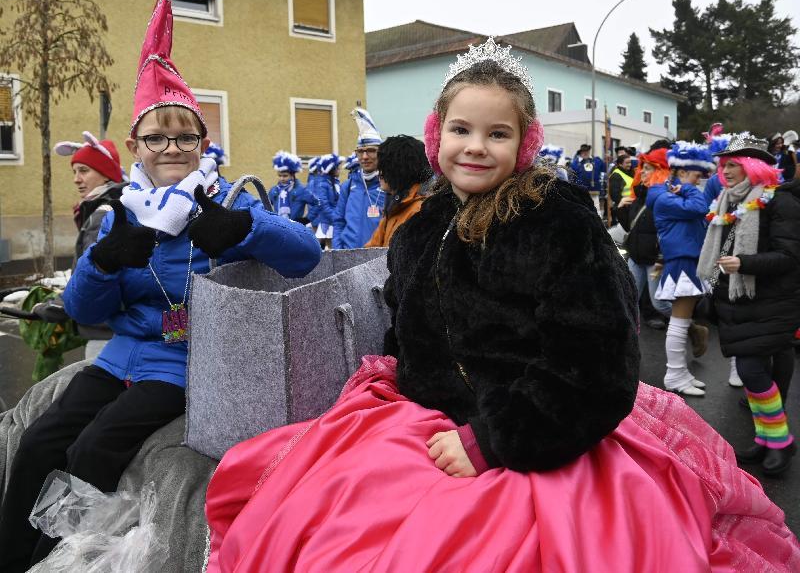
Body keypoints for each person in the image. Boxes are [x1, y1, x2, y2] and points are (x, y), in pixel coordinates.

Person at [204, 39, 799, 572]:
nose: (477, 148)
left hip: (535, 434)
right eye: (462, 130)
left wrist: (495, 439)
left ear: (525, 141)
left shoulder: (557, 219)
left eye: (498, 134)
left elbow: (595, 364)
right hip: (422, 422)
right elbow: (412, 324)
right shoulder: (419, 226)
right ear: (439, 135)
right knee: (308, 520)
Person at [0, 0, 322, 573]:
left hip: (185, 364)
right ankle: (10, 555)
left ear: (202, 143)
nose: (171, 146)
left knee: (93, 448)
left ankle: (54, 561)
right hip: (119, 356)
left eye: (184, 136)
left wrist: (242, 230)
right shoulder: (124, 212)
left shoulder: (220, 201)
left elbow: (306, 256)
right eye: (157, 137)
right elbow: (80, 307)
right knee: (40, 440)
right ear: (136, 146)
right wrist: (105, 260)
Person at [698, 133, 800, 476]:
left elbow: (789, 256)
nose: (724, 172)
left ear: (752, 168)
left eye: (732, 166)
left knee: (752, 371)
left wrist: (744, 263)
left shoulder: (779, 203)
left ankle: (781, 441)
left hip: (771, 300)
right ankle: (765, 438)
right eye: (722, 166)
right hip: (741, 302)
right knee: (752, 371)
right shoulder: (728, 200)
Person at [32, 132, 128, 361]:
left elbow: (94, 277)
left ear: (106, 175)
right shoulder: (109, 207)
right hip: (111, 328)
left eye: (84, 171)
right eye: (74, 171)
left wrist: (57, 306)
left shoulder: (103, 215)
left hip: (106, 333)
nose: (76, 179)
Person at [647, 142, 716, 396]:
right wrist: (687, 185)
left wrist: (686, 186)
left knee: (682, 319)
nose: (699, 181)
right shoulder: (663, 196)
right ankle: (675, 374)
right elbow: (700, 207)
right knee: (678, 321)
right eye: (696, 175)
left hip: (687, 260)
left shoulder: (674, 193)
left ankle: (681, 372)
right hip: (682, 261)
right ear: (684, 172)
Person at [616, 145, 672, 330]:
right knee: (628, 298)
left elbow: (668, 231)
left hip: (653, 260)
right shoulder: (639, 193)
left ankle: (687, 322)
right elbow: (629, 227)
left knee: (660, 304)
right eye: (643, 167)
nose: (641, 171)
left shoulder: (665, 197)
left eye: (647, 168)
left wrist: (661, 258)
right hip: (636, 256)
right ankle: (629, 337)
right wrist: (621, 209)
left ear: (659, 171)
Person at [365, 135, 431, 248]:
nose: (379, 174)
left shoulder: (419, 211)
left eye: (384, 168)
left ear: (399, 170)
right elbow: (369, 251)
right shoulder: (396, 206)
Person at [332, 109, 386, 249]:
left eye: (371, 151)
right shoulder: (348, 186)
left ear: (381, 153)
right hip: (348, 256)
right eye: (360, 151)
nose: (365, 157)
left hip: (377, 258)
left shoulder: (389, 186)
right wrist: (338, 251)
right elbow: (338, 221)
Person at [268, 150, 317, 223]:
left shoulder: (301, 190)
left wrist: (307, 219)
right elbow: (266, 206)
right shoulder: (274, 190)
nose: (282, 178)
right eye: (279, 176)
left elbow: (317, 204)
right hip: (278, 226)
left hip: (295, 227)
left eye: (285, 176)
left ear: (292, 175)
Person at [314, 153, 341, 249]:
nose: (339, 170)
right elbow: (323, 204)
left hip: (334, 218)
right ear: (331, 170)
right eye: (338, 168)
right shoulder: (323, 184)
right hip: (326, 220)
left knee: (332, 247)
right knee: (323, 245)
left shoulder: (335, 182)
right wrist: (334, 216)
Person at [570, 143, 605, 214]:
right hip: (580, 192)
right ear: (580, 153)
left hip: (594, 191)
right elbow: (571, 177)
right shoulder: (575, 163)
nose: (585, 153)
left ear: (589, 151)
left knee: (596, 210)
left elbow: (605, 169)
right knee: (583, 211)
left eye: (587, 151)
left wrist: (607, 160)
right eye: (583, 151)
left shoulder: (597, 161)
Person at [608, 149, 634, 225]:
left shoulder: (630, 173)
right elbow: (614, 195)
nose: (629, 164)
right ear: (620, 164)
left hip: (630, 205)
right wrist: (622, 205)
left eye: (630, 162)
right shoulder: (616, 175)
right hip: (623, 207)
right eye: (627, 163)